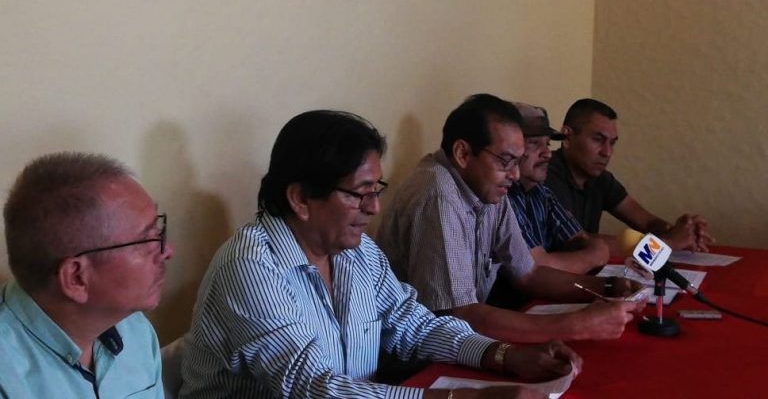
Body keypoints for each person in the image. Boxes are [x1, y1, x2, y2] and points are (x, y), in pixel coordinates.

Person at [180, 110, 582, 399]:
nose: (373, 208)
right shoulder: (251, 265)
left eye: (377, 190)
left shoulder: (357, 253)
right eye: (360, 194)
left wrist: (503, 354)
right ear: (301, 198)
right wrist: (461, 398)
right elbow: (311, 387)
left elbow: (415, 327)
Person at [377, 94, 644, 344]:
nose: (515, 175)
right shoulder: (439, 195)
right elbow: (457, 315)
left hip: (461, 339)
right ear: (463, 154)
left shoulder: (488, 185)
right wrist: (575, 325)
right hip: (419, 354)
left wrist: (607, 287)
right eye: (506, 161)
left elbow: (528, 273)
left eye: (517, 162)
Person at [0, 152, 173, 398]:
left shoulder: (135, 330)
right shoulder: (8, 381)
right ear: (76, 278)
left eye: (158, 229)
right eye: (145, 241)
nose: (167, 251)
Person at [545, 98, 713, 253]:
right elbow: (578, 241)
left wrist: (681, 231)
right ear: (567, 137)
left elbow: (647, 222)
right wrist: (666, 243)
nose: (607, 152)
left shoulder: (600, 178)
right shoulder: (545, 174)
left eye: (612, 143)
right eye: (598, 139)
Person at [507, 102, 609, 274]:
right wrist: (595, 255)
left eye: (547, 144)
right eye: (534, 143)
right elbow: (535, 268)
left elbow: (579, 238)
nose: (547, 153)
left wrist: (593, 250)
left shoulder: (541, 192)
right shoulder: (503, 197)